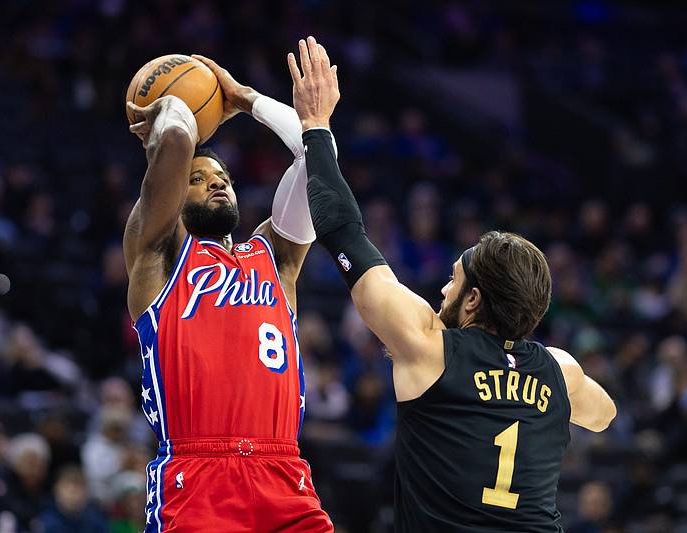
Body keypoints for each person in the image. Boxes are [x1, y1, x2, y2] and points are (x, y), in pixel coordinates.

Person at [287, 36, 618, 531]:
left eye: (452, 281)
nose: (442, 291)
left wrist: (315, 126)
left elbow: (344, 234)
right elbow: (605, 415)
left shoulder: (429, 349)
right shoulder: (560, 372)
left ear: (473, 300)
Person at [122, 51, 334, 532]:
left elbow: (318, 154)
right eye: (197, 180)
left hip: (285, 475)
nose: (215, 182)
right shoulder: (156, 252)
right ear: (174, 197)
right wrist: (174, 109)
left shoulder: (276, 259)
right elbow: (176, 138)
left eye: (223, 178)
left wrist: (247, 98)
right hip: (198, 477)